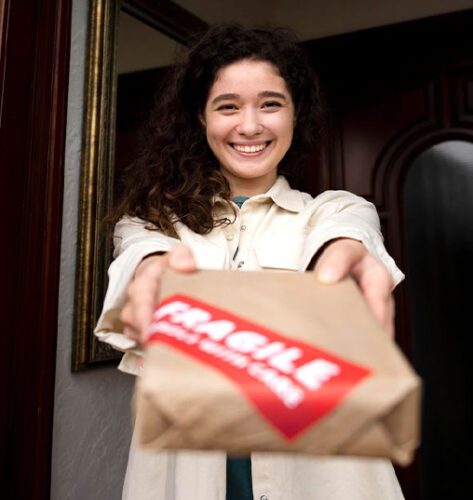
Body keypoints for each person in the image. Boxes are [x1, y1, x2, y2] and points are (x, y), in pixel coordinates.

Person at [95, 24, 405, 500]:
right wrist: (155, 271)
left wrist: (338, 262)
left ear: (296, 113)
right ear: (200, 117)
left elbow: (348, 234)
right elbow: (142, 254)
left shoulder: (335, 211)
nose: (250, 126)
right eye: (228, 107)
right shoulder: (149, 225)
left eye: (270, 104)